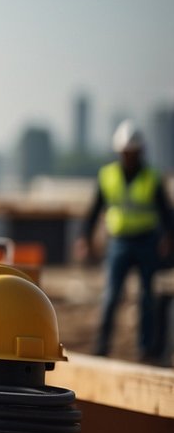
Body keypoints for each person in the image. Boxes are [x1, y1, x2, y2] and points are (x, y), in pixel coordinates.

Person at [75, 120, 174, 361]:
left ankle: (146, 349)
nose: (129, 156)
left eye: (132, 152)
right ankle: (102, 346)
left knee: (146, 298)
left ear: (139, 152)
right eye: (125, 152)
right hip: (119, 242)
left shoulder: (151, 177)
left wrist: (168, 238)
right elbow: (95, 208)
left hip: (146, 242)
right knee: (110, 296)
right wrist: (84, 237)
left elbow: (166, 213)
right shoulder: (108, 176)